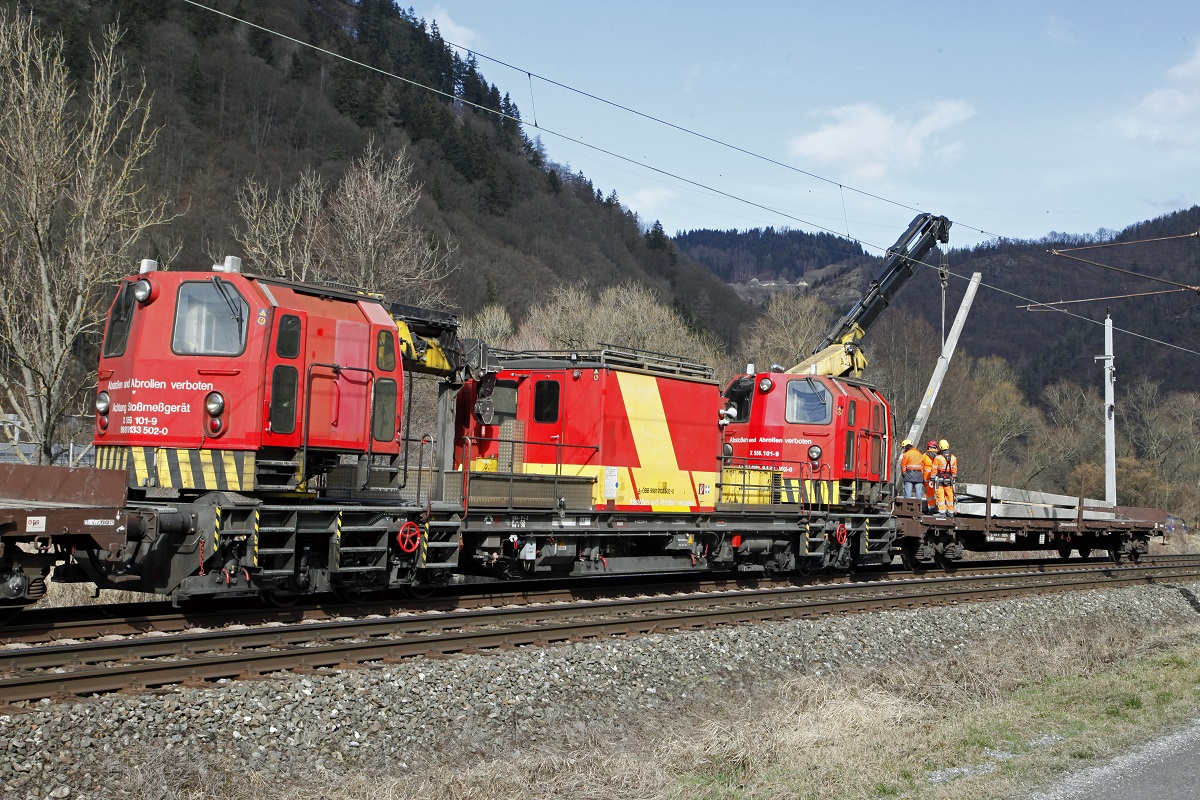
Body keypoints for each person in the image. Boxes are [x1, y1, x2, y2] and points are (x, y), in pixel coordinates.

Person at [933, 439, 959, 518]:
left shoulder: (938, 458)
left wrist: (932, 478)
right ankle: (950, 512)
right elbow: (954, 470)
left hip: (940, 479)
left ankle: (942, 512)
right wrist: (953, 477)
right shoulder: (953, 458)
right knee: (950, 495)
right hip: (949, 479)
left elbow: (934, 469)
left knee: (940, 495)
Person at [922, 440, 938, 513]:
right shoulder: (939, 456)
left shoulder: (925, 456)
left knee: (930, 494)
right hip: (935, 478)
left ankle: (932, 508)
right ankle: (937, 509)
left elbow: (921, 468)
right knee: (936, 493)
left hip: (929, 479)